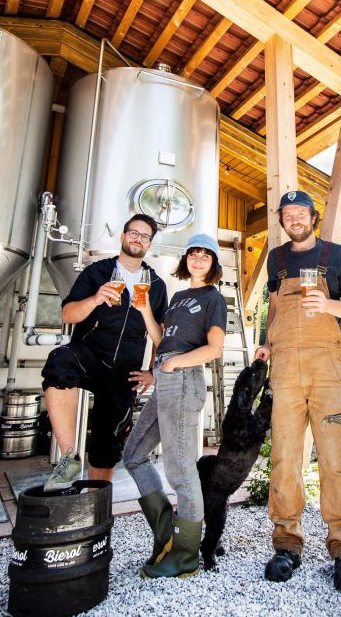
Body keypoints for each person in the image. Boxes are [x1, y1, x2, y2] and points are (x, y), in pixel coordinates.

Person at [254, 190, 341, 592]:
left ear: (313, 217)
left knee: (335, 458)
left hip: (326, 369)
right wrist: (267, 342)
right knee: (284, 457)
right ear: (282, 219)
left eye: (301, 212)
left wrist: (328, 304)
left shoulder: (335, 256)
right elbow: (274, 308)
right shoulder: (277, 259)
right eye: (288, 213)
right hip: (284, 368)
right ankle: (286, 543)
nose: (294, 218)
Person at [123, 233, 228, 579]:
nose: (198, 259)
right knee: (134, 454)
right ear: (186, 259)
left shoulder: (214, 299)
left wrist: (175, 364)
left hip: (183, 380)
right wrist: (143, 312)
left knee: (181, 472)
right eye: (193, 253)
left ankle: (185, 556)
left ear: (213, 263)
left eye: (206, 255)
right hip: (165, 379)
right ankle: (167, 531)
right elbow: (161, 339)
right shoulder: (179, 295)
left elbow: (214, 349)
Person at [40, 214, 168, 491]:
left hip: (126, 367)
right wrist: (96, 297)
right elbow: (68, 313)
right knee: (60, 363)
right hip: (90, 355)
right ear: (122, 237)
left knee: (107, 442)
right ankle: (69, 457)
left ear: (150, 245)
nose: (138, 239)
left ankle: (97, 504)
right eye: (133, 233)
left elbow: (161, 331)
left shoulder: (156, 285)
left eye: (145, 236)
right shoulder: (96, 272)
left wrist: (152, 371)